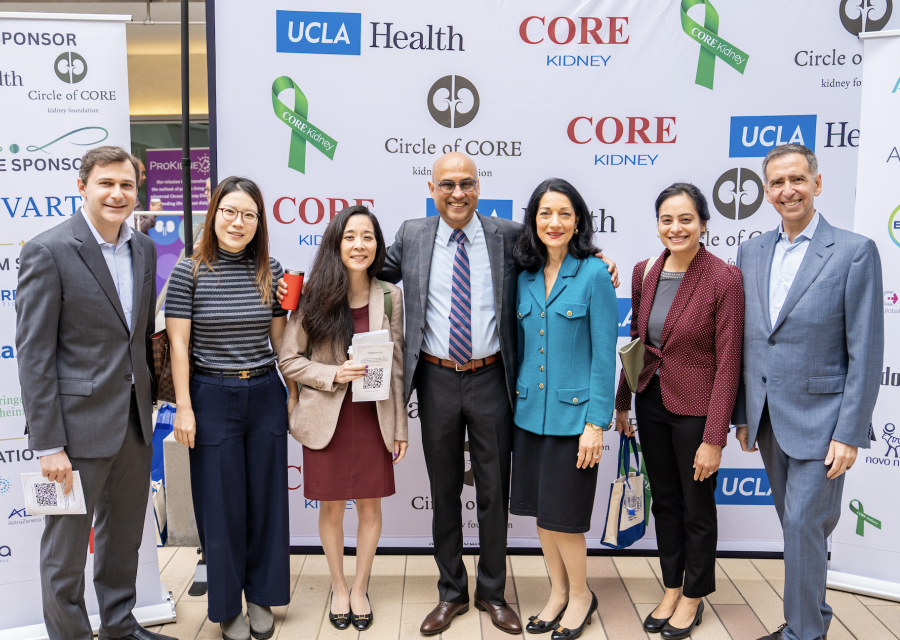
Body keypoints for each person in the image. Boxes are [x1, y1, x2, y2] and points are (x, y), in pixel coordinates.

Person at [277, 152, 619, 636]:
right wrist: (295, 288)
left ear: (479, 187)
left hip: (493, 379)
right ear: (432, 188)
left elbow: (557, 250)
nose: (457, 193)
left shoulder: (506, 236)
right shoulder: (412, 235)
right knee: (441, 491)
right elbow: (361, 265)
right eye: (447, 185)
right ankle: (451, 591)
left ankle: (494, 594)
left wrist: (601, 260)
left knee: (494, 492)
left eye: (467, 183)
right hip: (435, 379)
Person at [16, 146, 174, 640]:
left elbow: (138, 335)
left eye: (127, 185)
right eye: (106, 183)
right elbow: (34, 355)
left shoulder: (144, 249)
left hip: (132, 421)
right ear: (82, 186)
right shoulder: (48, 250)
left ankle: (121, 626)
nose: (117, 193)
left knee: (123, 537)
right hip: (74, 431)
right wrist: (48, 445)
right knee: (64, 551)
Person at [732, 145, 883, 640]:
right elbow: (750, 340)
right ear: (766, 191)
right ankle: (810, 619)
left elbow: (865, 351)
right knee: (800, 531)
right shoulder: (751, 251)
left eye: (797, 179)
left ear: (817, 184)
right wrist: (742, 415)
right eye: (776, 183)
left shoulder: (854, 251)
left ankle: (803, 634)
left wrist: (851, 433)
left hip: (825, 422)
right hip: (770, 419)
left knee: (801, 527)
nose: (787, 190)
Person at [615, 183, 744, 639]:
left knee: (696, 507)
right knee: (665, 503)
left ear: (704, 224)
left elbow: (729, 359)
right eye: (667, 220)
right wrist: (623, 402)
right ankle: (671, 586)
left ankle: (693, 595)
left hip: (695, 411)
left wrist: (714, 437)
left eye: (686, 219)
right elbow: (636, 342)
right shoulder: (645, 270)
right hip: (651, 401)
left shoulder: (724, 277)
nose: (676, 228)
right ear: (657, 225)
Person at [164, 176, 289, 640]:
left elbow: (279, 342)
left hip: (264, 395)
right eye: (230, 212)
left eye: (249, 215)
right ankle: (226, 603)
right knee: (221, 507)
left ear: (259, 222)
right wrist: (184, 407)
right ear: (213, 214)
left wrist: (293, 391)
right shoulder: (189, 270)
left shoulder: (271, 271)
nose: (239, 222)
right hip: (210, 397)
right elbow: (179, 345)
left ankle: (260, 595)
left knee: (266, 502)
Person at [278, 205, 408, 632]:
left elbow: (399, 366)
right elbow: (289, 360)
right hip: (325, 419)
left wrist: (400, 427)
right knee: (331, 509)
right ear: (336, 243)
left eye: (367, 237)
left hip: (374, 416)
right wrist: (333, 374)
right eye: (350, 236)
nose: (359, 244)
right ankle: (338, 586)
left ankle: (360, 587)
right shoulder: (313, 294)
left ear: (377, 245)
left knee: (370, 508)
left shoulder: (390, 294)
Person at [510, 179, 618, 640]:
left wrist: (596, 423)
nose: (554, 222)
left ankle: (580, 596)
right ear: (534, 220)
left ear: (578, 221)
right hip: (528, 416)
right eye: (545, 213)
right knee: (541, 515)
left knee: (567, 521)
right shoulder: (524, 276)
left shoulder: (594, 273)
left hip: (575, 421)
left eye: (564, 213)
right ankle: (557, 591)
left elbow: (604, 353)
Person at [134, 156, 162, 235]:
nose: (144, 177)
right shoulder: (131, 196)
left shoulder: (134, 194)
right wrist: (153, 213)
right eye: (142, 173)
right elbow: (139, 226)